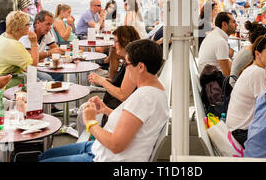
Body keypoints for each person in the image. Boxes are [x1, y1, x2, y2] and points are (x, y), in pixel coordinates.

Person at [39, 39, 169, 162]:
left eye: (127, 63)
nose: (126, 68)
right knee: (45, 155)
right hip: (98, 148)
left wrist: (90, 121)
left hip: (104, 157)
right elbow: (132, 124)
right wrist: (106, 110)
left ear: (140, 67)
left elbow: (115, 145)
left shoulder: (144, 97)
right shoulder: (156, 90)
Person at [82, 26, 141, 130]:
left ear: (124, 42)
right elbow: (119, 84)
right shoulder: (130, 61)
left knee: (82, 113)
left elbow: (123, 95)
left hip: (119, 110)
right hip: (120, 106)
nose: (113, 45)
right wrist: (102, 80)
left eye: (115, 41)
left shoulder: (131, 65)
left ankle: (95, 142)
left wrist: (102, 81)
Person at [0, 11, 38, 88]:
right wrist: (34, 43)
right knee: (38, 82)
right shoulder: (13, 44)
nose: (29, 26)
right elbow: (33, 67)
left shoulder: (4, 36)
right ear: (20, 27)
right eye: (27, 24)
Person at [20, 10, 64, 80]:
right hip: (26, 69)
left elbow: (55, 48)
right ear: (38, 23)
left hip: (39, 66)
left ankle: (59, 90)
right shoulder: (27, 35)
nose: (50, 27)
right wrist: (48, 53)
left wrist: (59, 51)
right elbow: (31, 60)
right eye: (47, 24)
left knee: (60, 74)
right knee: (47, 78)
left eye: (51, 24)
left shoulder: (46, 32)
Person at [198, 12, 237, 77]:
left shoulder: (215, 35)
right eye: (233, 22)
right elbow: (228, 75)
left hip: (208, 78)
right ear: (224, 24)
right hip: (213, 83)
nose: (236, 24)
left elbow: (228, 62)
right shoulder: (220, 41)